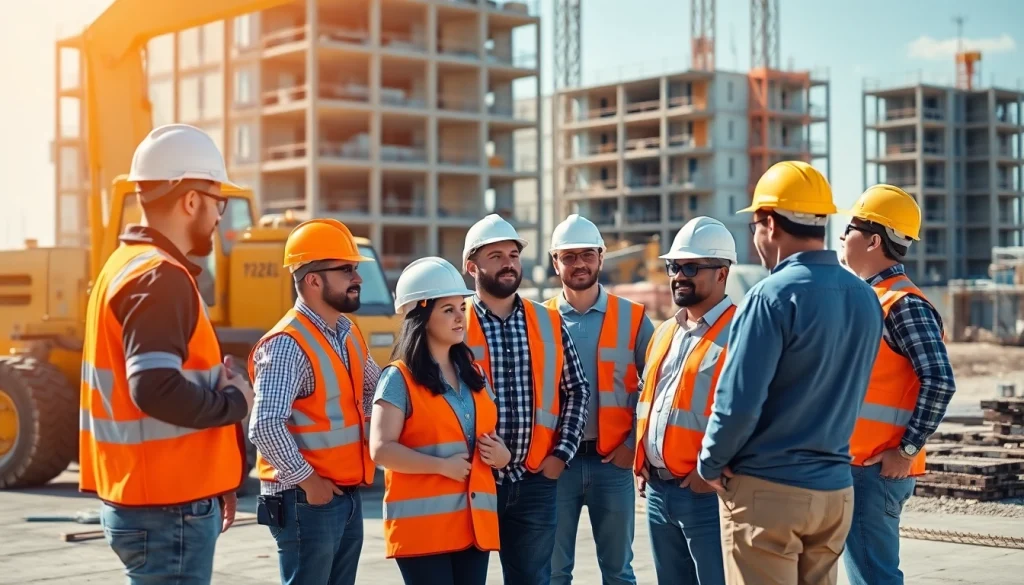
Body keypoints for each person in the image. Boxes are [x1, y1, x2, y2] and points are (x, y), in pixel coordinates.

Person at [79, 123, 254, 585]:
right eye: (220, 202)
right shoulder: (161, 277)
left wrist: (216, 480)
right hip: (167, 507)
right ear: (191, 200)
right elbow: (153, 388)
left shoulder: (125, 265)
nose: (220, 216)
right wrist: (236, 403)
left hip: (152, 496)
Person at [697, 161, 884, 585]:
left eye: (755, 227)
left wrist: (711, 463)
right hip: (835, 493)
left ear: (768, 223)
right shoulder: (864, 297)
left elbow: (738, 403)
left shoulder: (770, 296)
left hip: (769, 493)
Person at [248, 218, 382, 585]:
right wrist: (310, 483)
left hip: (344, 495)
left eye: (355, 269)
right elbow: (264, 425)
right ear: (313, 279)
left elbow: (375, 387)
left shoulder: (347, 332)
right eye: (345, 270)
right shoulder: (286, 344)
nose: (357, 278)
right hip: (306, 500)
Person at [462, 213, 591, 585]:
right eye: (496, 256)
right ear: (472, 266)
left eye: (514, 255)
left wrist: (560, 456)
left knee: (534, 580)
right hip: (474, 481)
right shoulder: (455, 322)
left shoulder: (548, 321)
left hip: (535, 481)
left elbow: (576, 389)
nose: (508, 263)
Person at [838, 185, 956, 585]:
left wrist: (906, 450)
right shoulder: (873, 299)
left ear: (874, 239)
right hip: (857, 466)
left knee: (874, 578)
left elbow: (940, 380)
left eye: (850, 227)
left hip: (876, 472)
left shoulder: (903, 304)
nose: (842, 236)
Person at [370, 256, 512, 585]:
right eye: (448, 310)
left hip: (474, 525)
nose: (460, 317)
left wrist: (502, 455)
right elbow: (380, 449)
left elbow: (488, 436)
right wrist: (440, 466)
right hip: (424, 531)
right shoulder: (398, 378)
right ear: (420, 316)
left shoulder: (474, 374)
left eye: (461, 308)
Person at [543, 214, 654, 585]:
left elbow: (656, 389)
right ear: (555, 261)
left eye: (587, 255)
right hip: (558, 465)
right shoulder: (537, 319)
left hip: (613, 465)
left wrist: (630, 447)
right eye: (569, 256)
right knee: (554, 572)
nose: (579, 264)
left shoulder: (633, 318)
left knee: (619, 573)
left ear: (601, 258)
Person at [632, 217, 736, 585]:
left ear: (722, 274)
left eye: (691, 267)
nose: (678, 275)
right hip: (658, 492)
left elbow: (750, 414)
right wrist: (641, 459)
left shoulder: (740, 333)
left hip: (706, 494)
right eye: (674, 266)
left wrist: (709, 473)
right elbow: (648, 402)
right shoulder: (664, 333)